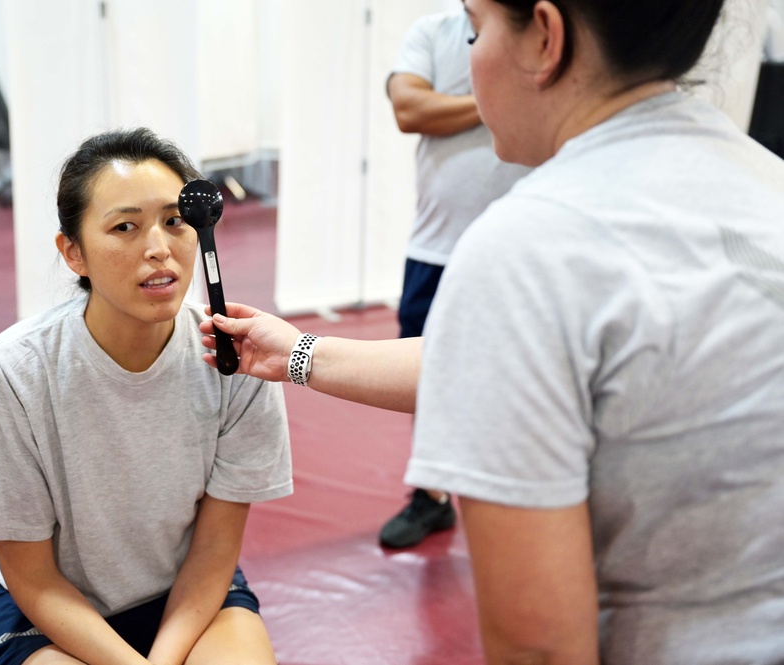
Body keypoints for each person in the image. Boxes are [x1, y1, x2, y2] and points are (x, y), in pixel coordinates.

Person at [200, 0, 784, 662]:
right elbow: (516, 365)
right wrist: (299, 353)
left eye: (476, 31)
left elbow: (539, 645)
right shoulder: (763, 178)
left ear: (544, 35)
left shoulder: (529, 246)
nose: (468, 59)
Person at [0, 127, 293, 665]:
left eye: (174, 221)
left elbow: (212, 553)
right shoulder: (15, 370)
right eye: (125, 227)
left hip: (186, 587)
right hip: (42, 604)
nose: (158, 248)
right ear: (74, 253)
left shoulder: (238, 360)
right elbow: (31, 574)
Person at [380, 8, 531, 549]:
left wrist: (455, 106)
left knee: (519, 379)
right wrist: (495, 100)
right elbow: (408, 107)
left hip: (518, 249)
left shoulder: (542, 25)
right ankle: (433, 496)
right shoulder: (433, 31)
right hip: (434, 247)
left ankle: (519, 500)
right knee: (424, 379)